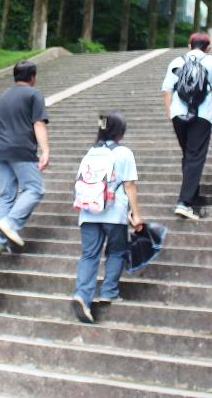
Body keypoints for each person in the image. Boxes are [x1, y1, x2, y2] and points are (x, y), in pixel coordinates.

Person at [71, 111, 143, 324]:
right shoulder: (124, 153)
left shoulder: (90, 153)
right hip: (114, 213)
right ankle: (109, 292)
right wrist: (136, 214)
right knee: (117, 251)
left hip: (88, 213)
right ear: (120, 132)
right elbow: (129, 185)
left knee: (89, 255)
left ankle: (82, 295)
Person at [161, 32, 212, 221]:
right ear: (208, 47)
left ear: (189, 46)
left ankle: (192, 195)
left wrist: (170, 113)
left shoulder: (176, 62)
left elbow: (167, 90)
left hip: (177, 114)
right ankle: (184, 203)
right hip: (201, 115)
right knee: (195, 156)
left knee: (189, 155)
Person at [0, 59, 49, 253]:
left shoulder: (3, 96)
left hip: (0, 149)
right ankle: (10, 223)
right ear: (32, 77)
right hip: (22, 149)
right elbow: (38, 123)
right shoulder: (34, 94)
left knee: (5, 195)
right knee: (35, 189)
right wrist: (45, 150)